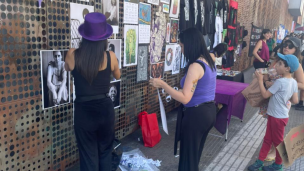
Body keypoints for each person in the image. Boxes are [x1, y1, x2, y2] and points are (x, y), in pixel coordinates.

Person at [149, 27, 216, 171]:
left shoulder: (195, 66)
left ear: (190, 44)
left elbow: (185, 98)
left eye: (182, 45)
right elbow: (197, 89)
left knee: (188, 158)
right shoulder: (208, 60)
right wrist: (175, 90)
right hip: (208, 111)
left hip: (197, 115)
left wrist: (163, 84)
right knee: (194, 154)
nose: (181, 48)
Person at [64, 12, 121, 171]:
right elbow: (118, 75)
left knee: (88, 155)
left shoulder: (72, 54)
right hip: (105, 109)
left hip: (84, 112)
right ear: (104, 38)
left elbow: (67, 67)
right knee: (105, 152)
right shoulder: (110, 56)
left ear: (84, 36)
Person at [247, 53, 299, 171]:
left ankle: (278, 165)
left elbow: (265, 95)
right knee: (268, 139)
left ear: (287, 68)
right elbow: (295, 100)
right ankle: (260, 161)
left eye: (280, 64)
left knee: (278, 142)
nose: (276, 66)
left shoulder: (280, 82)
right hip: (279, 115)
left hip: (277, 117)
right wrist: (283, 95)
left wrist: (260, 80)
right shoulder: (294, 82)